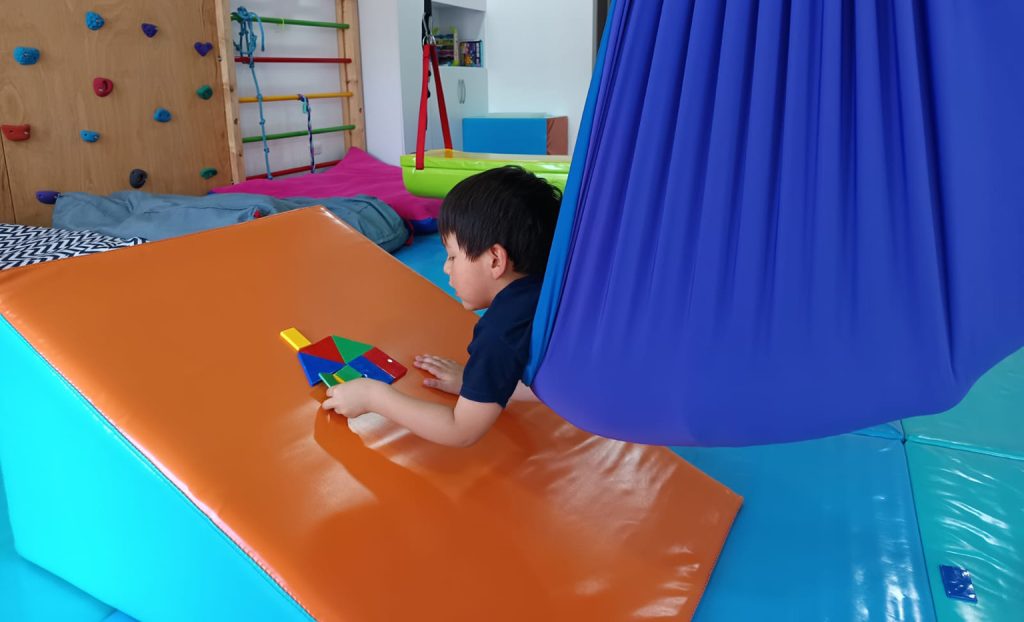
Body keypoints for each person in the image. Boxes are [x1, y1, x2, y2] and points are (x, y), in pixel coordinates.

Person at [321, 166, 561, 446]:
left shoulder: (502, 330)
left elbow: (460, 430)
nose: (446, 269)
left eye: (452, 256)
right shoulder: (553, 288)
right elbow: (550, 382)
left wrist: (374, 397)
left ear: (495, 260)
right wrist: (475, 383)